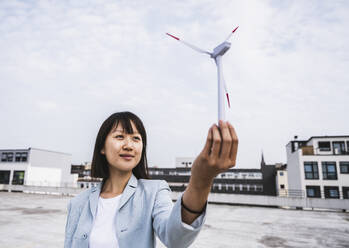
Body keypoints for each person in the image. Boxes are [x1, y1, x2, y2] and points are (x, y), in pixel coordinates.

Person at [64, 111, 238, 248]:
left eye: (136, 138)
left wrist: (201, 181)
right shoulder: (78, 203)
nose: (129, 145)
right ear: (102, 147)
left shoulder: (154, 192)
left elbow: (176, 239)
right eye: (119, 137)